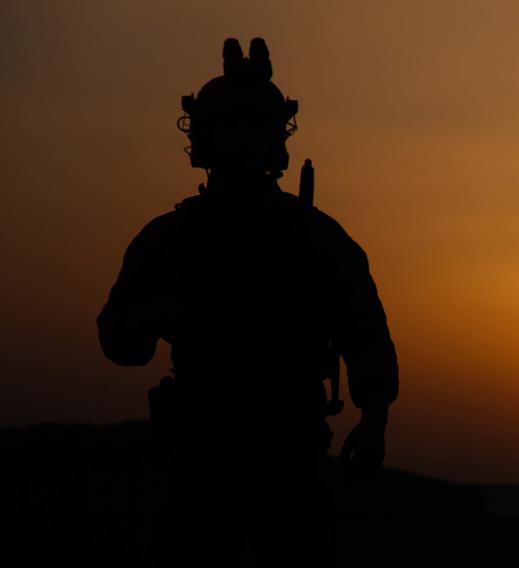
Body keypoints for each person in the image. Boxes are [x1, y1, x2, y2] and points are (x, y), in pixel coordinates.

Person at [97, 38, 398, 566]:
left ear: (273, 140)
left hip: (287, 449)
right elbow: (118, 337)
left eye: (252, 130)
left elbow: (363, 329)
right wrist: (149, 317)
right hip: (201, 451)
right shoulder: (172, 237)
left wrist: (374, 420)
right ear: (206, 137)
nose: (241, 144)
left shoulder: (313, 238)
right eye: (230, 129)